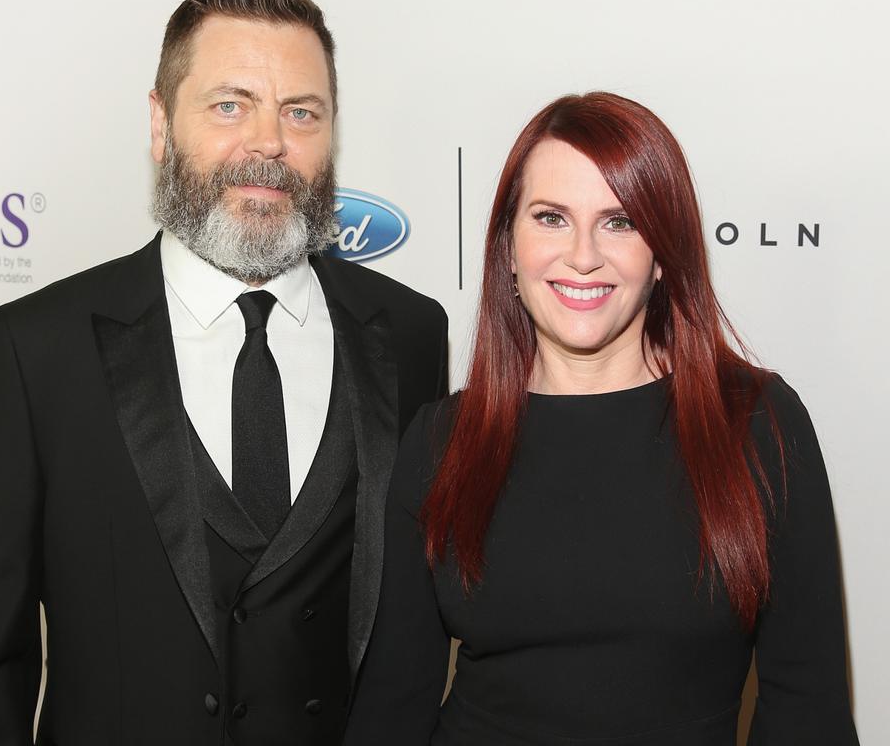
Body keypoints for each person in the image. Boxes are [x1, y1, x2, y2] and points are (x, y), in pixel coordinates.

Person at [0, 0, 448, 744]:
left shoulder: (408, 332)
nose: (269, 144)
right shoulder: (38, 350)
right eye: (230, 104)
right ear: (161, 122)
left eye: (301, 111)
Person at [343, 92, 858, 746]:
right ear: (508, 247)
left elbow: (808, 711)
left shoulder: (757, 424)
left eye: (620, 222)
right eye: (551, 218)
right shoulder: (442, 441)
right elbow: (393, 709)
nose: (582, 256)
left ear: (663, 253)